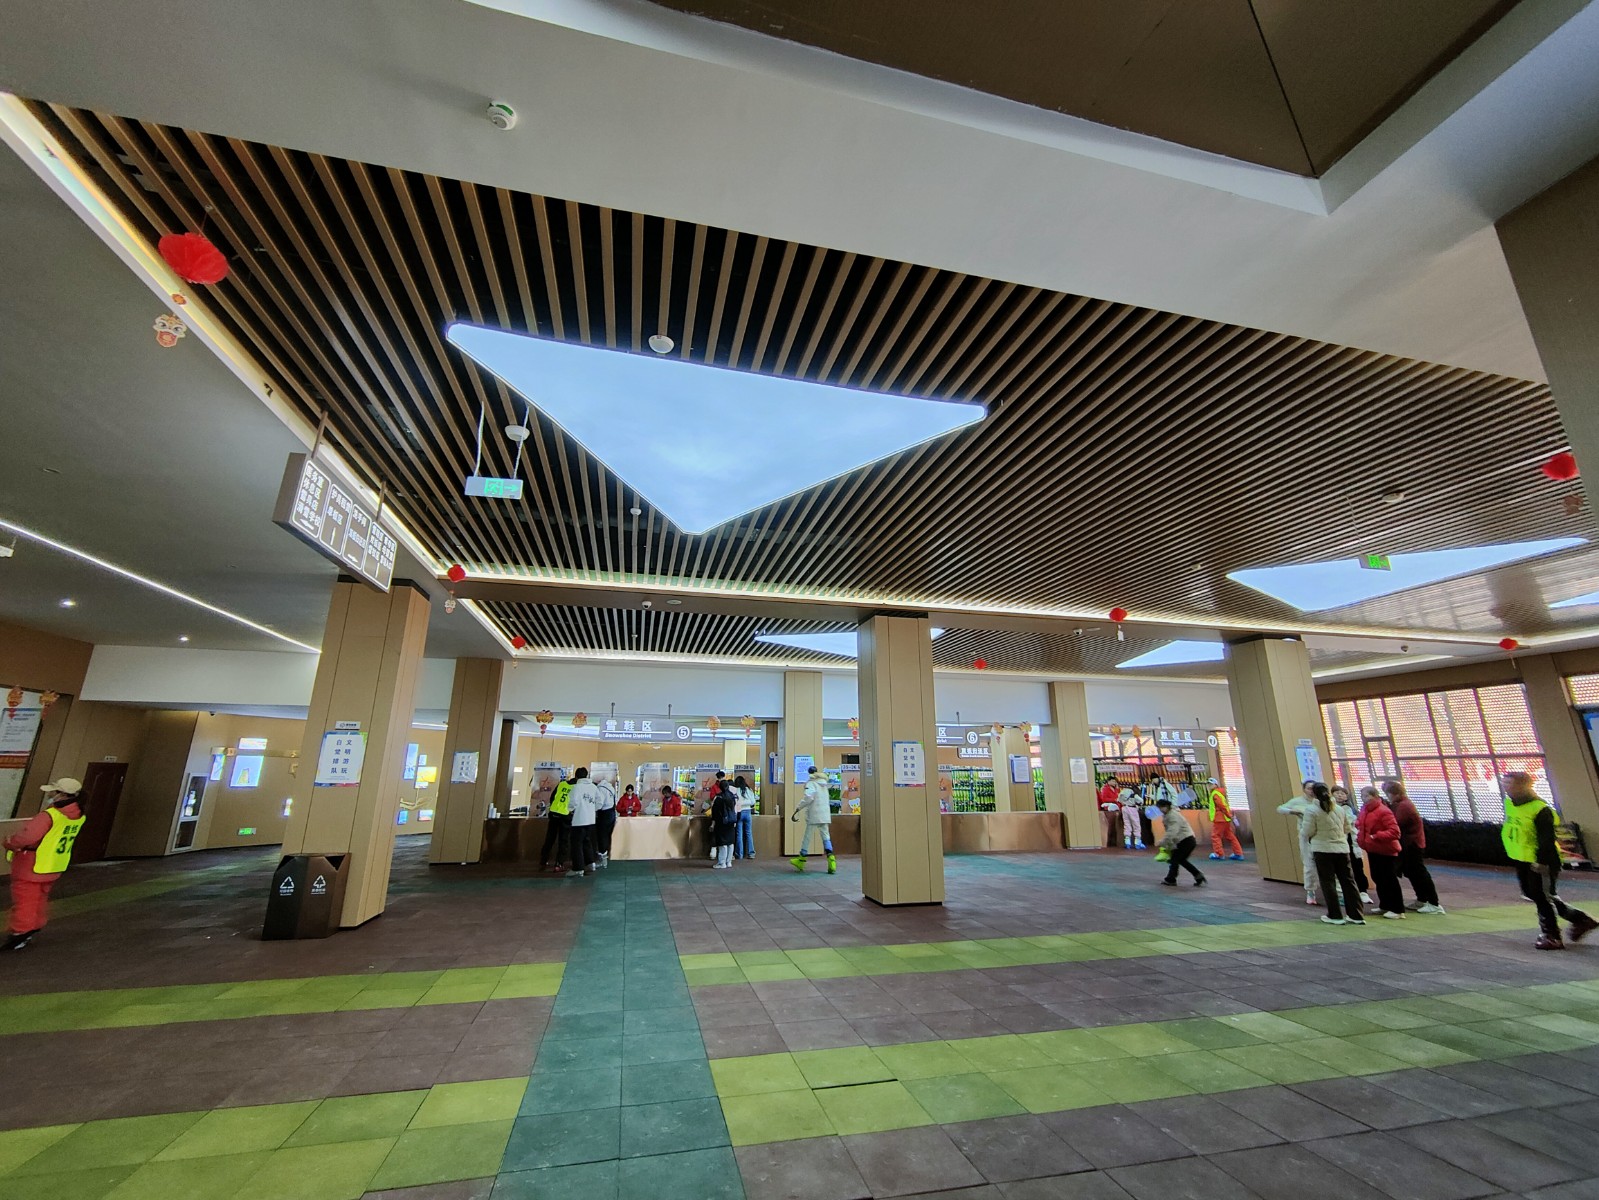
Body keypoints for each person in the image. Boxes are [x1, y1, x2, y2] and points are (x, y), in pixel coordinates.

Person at [1502, 771, 1597, 950]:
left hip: (1541, 861)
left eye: (1510, 784)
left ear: (1523, 786)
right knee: (1533, 894)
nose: (1506, 787)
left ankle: (1552, 935)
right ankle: (1581, 920)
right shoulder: (1510, 803)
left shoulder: (1541, 809)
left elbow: (1546, 839)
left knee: (1542, 897)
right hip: (1521, 857)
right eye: (1504, 783)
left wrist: (1541, 862)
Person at [3, 779, 87, 951]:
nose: (50, 794)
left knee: (25, 900)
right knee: (40, 898)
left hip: (32, 865)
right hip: (53, 865)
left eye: (53, 792)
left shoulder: (49, 816)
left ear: (63, 795)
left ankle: (21, 933)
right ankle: (34, 926)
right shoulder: (78, 815)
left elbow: (27, 837)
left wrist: (10, 842)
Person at [1302, 782, 1364, 926]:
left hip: (1322, 849)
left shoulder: (1311, 810)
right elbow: (1347, 828)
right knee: (1348, 882)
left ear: (1314, 794)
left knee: (1328, 882)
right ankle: (1356, 915)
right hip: (1342, 849)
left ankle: (1335, 915)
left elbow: (1307, 831)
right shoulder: (1339, 809)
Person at [1383, 779, 1444, 914]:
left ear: (1395, 793)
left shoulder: (1404, 806)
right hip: (1410, 844)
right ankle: (1422, 899)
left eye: (1388, 794)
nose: (1388, 797)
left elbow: (1395, 823)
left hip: (1413, 845)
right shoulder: (1402, 804)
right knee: (1412, 872)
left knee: (1419, 873)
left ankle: (1433, 903)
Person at [1356, 786, 1405, 919]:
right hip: (1372, 849)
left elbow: (1395, 832)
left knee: (1389, 879)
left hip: (1386, 850)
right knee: (1378, 877)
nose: (1364, 799)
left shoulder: (1383, 811)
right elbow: (1362, 824)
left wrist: (1375, 836)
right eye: (1362, 796)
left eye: (1366, 796)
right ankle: (1385, 905)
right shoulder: (1365, 810)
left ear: (1375, 796)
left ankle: (1397, 909)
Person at [1276, 781, 1321, 906]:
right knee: (1309, 864)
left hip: (1321, 836)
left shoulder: (1320, 801)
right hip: (1305, 836)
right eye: (1309, 788)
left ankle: (1338, 892)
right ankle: (1310, 891)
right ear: (1304, 789)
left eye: (1313, 788)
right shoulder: (1297, 801)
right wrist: (1293, 811)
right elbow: (1280, 808)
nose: (1311, 791)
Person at [790, 765, 836, 874]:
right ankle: (832, 861)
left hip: (814, 815)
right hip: (824, 815)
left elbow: (808, 797)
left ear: (809, 773)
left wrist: (798, 808)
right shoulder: (824, 784)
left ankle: (801, 860)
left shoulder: (811, 783)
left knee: (807, 837)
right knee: (826, 837)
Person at [1332, 786, 1372, 904]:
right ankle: (1346, 893)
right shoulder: (1330, 808)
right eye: (1337, 793)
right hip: (1338, 842)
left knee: (1357, 867)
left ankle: (1363, 891)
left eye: (1342, 793)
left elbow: (1350, 823)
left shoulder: (1350, 808)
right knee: (1341, 869)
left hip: (1351, 842)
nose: (1340, 795)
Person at [1154, 797, 1205, 887]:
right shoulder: (1169, 814)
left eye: (1161, 807)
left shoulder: (1172, 816)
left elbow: (1172, 832)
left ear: (1166, 807)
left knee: (1175, 859)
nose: (1160, 810)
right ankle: (1197, 875)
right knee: (1180, 860)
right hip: (1187, 840)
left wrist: (1163, 842)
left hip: (1185, 840)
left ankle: (1171, 879)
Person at [566, 768, 601, 878]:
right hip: (591, 820)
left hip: (579, 820)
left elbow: (573, 802)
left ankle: (578, 868)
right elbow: (599, 802)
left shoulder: (576, 787)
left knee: (576, 845)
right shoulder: (593, 787)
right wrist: (592, 810)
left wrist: (570, 809)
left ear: (576, 776)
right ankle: (590, 863)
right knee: (587, 842)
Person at [539, 773, 574, 873]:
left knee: (549, 838)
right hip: (565, 815)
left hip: (554, 813)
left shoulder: (562, 784)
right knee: (563, 840)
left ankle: (543, 861)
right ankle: (559, 864)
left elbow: (552, 797)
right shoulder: (576, 788)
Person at [1206, 778, 1244, 860]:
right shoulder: (1220, 793)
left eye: (1211, 784)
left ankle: (1219, 854)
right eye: (1208, 784)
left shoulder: (1215, 794)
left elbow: (1222, 806)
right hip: (1225, 818)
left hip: (1219, 819)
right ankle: (1238, 853)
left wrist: (1229, 815)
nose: (1209, 786)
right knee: (1230, 836)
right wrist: (1229, 816)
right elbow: (1224, 806)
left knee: (1215, 835)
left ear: (1216, 785)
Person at [710, 780, 738, 868]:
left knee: (722, 842)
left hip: (721, 822)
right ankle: (729, 862)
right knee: (730, 842)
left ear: (720, 787)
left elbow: (714, 812)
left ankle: (722, 863)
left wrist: (713, 824)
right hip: (731, 821)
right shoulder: (733, 796)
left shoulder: (718, 798)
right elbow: (735, 809)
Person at [593, 774, 618, 869]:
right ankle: (606, 856)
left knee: (602, 836)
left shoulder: (600, 789)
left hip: (604, 814)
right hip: (612, 813)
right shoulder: (610, 788)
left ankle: (602, 859)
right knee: (607, 835)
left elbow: (600, 803)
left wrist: (593, 809)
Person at [733, 775, 756, 860]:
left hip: (739, 812)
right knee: (749, 833)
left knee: (739, 834)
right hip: (748, 812)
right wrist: (746, 802)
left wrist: (741, 803)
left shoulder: (736, 790)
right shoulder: (749, 790)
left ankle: (739, 854)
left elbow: (735, 802)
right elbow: (753, 802)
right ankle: (751, 853)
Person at [1097, 780, 1123, 848]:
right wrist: (1114, 800)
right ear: (1108, 782)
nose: (1114, 783)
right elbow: (1103, 799)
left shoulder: (1116, 789)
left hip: (1116, 808)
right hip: (1108, 809)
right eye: (1113, 781)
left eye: (1115, 782)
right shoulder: (1105, 789)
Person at [1120, 784, 1145, 851]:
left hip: (1124, 809)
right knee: (1136, 825)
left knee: (1127, 824)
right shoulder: (1135, 795)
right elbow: (1141, 801)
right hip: (1132, 809)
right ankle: (1137, 842)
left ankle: (1127, 841)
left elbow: (1119, 800)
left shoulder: (1124, 792)